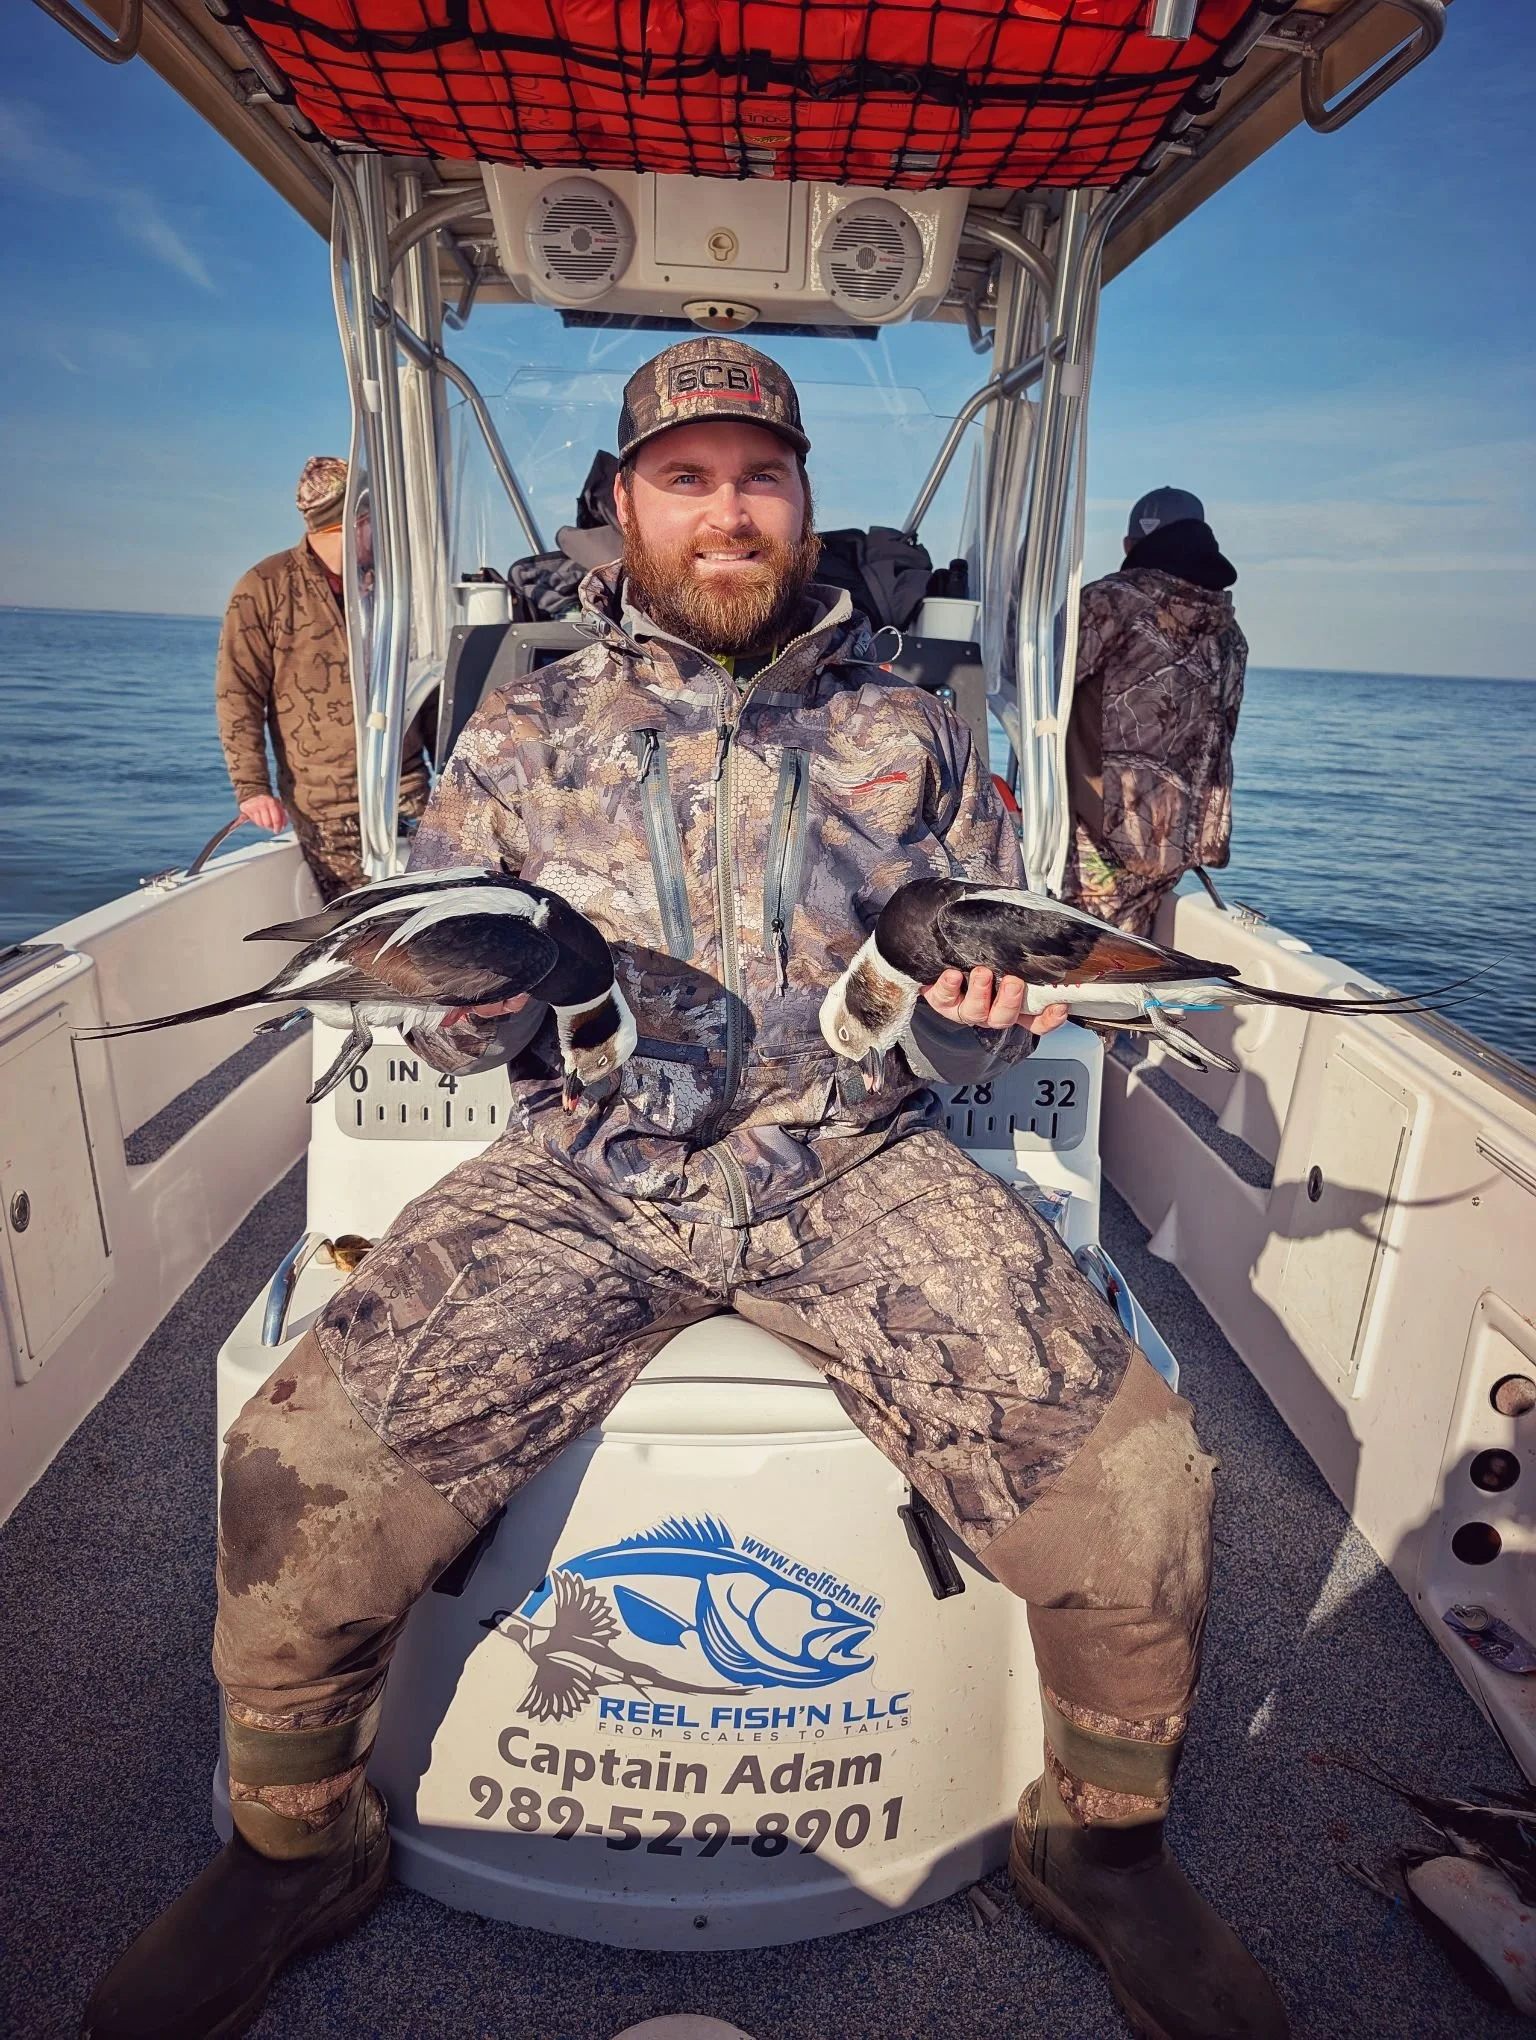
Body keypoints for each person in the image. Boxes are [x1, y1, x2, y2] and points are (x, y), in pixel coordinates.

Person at [86, 344, 1286, 2040]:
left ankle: (1101, 1848)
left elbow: (960, 1025)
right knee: (298, 1462)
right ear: (627, 511)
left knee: (1144, 1473)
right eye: (686, 477)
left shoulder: (917, 726)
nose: (728, 509)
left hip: (853, 1164)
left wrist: (970, 1020)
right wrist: (478, 1012)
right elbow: (451, 1022)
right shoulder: (517, 723)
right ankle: (299, 1853)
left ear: (799, 503)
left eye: (760, 476)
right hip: (590, 1169)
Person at [213, 456, 431, 900]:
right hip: (327, 808)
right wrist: (253, 789)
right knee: (365, 930)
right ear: (353, 523)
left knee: (440, 908)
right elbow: (238, 693)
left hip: (408, 785)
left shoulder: (395, 585)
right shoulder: (263, 588)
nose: (383, 532)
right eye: (375, 521)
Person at [1062, 486, 1248, 936]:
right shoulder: (1230, 632)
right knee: (1128, 955)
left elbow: (1041, 681)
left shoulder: (1111, 602)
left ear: (1132, 545)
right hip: (1179, 840)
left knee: (1083, 963)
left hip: (1103, 836)